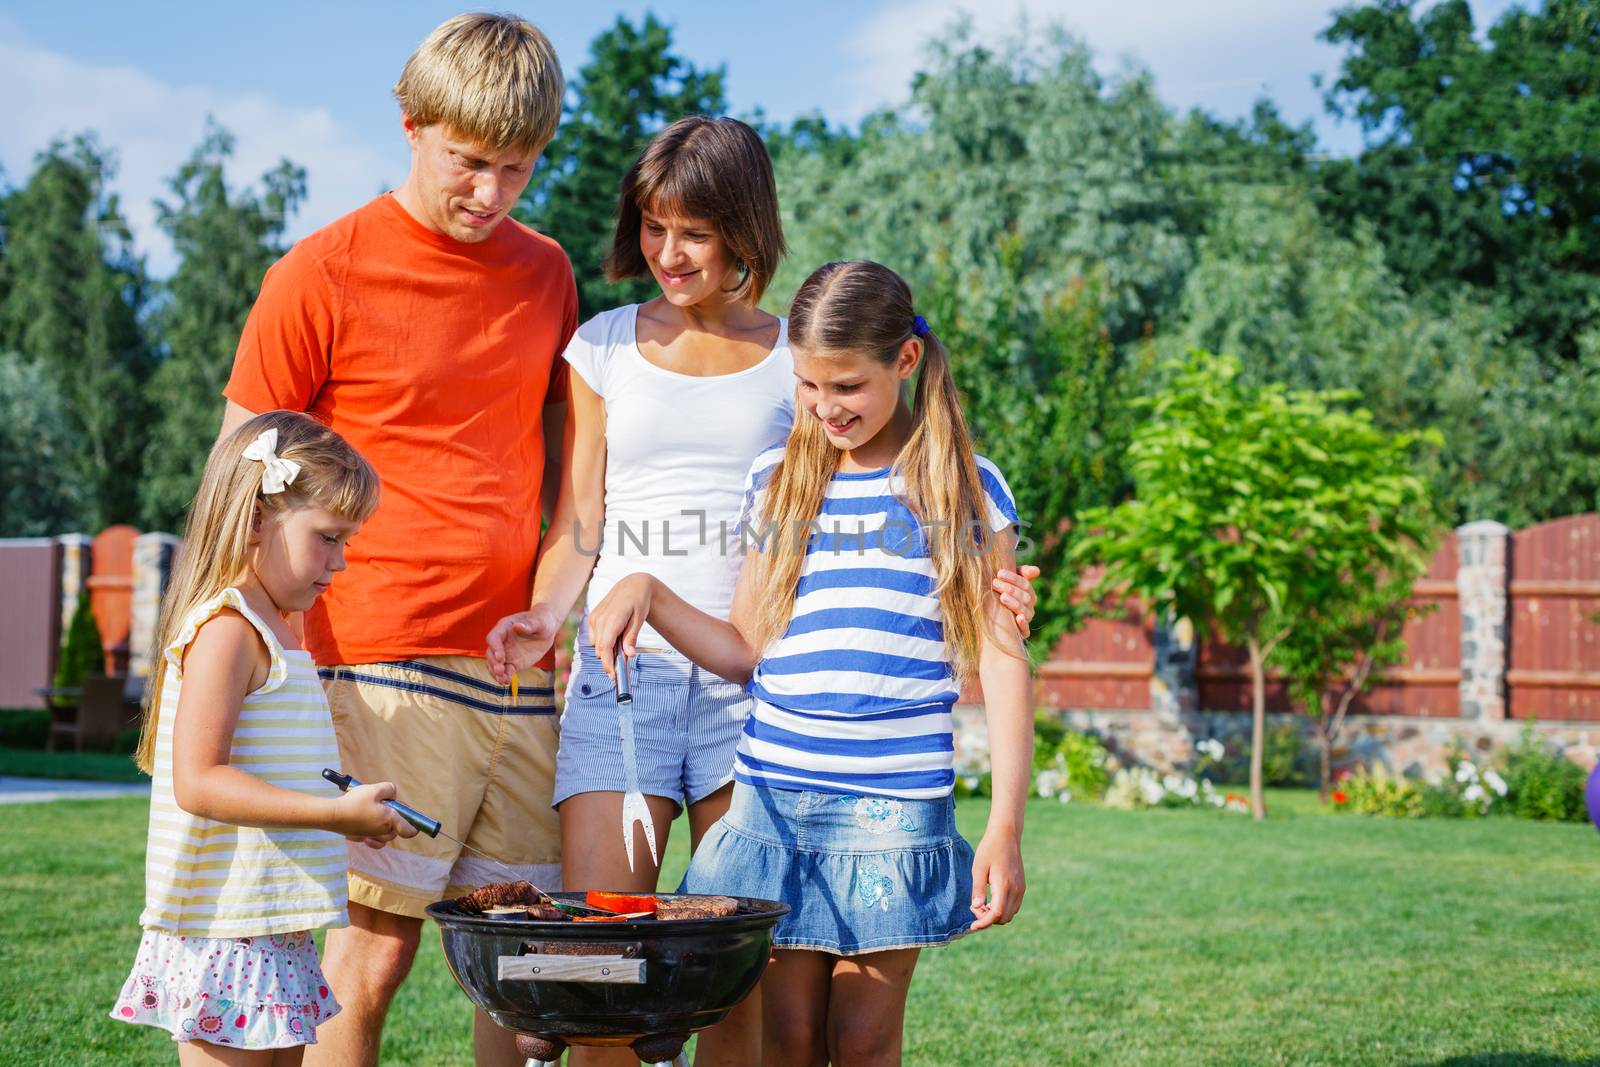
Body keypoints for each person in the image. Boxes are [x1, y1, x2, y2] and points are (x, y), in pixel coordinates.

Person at [485, 120, 1038, 1066]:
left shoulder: (889, 423)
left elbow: (969, 615)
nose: (666, 252)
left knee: (805, 1018)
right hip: (696, 730)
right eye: (652, 228)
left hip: (827, 746)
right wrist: (588, 604)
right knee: (660, 985)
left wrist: (1006, 811)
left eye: (691, 231)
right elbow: (620, 550)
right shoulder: (662, 389)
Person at [217, 15, 572, 1066]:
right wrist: (233, 653)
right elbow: (239, 477)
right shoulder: (318, 272)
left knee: (523, 963)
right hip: (372, 654)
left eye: (517, 168)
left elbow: (561, 473)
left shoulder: (547, 273)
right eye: (469, 161)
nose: (491, 194)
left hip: (516, 663)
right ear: (411, 124)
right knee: (369, 960)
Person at [588, 260, 1031, 1067]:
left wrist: (1004, 824)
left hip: (894, 809)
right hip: (774, 805)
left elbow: (1003, 660)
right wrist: (647, 590)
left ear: (905, 361)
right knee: (783, 1040)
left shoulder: (965, 490)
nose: (827, 408)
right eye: (807, 385)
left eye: (848, 386)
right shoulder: (779, 481)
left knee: (861, 1042)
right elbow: (745, 650)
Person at [111, 411, 418, 1064]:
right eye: (328, 537)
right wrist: (330, 814)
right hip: (225, 931)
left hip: (275, 928)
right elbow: (201, 780)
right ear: (256, 519)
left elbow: (271, 767)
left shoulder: (280, 630)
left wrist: (344, 811)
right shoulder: (226, 628)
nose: (340, 562)